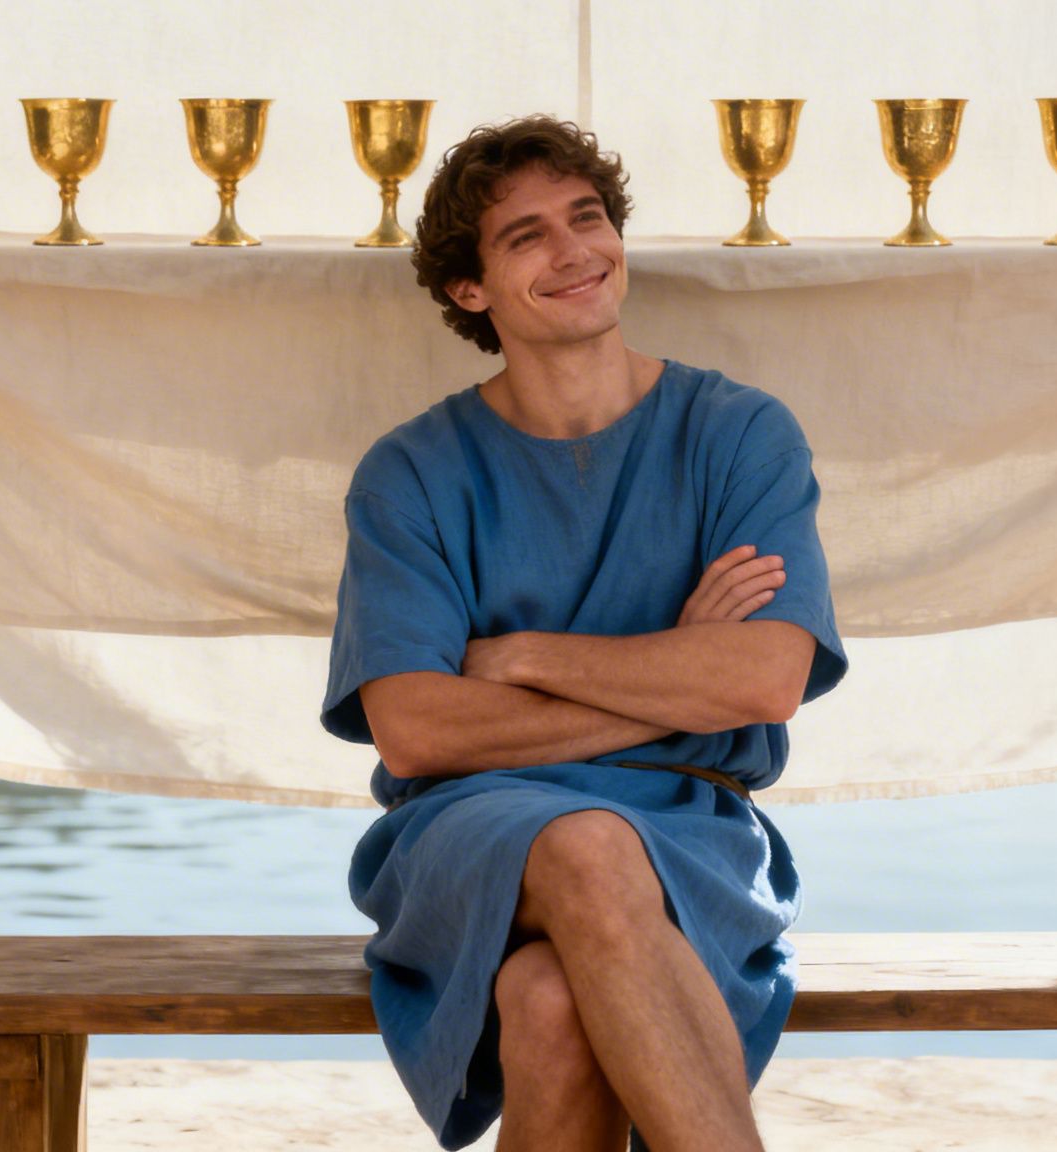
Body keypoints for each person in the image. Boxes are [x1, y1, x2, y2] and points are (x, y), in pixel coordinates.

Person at [320, 113, 848, 1152]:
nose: (575, 252)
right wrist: (672, 679)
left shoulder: (740, 433)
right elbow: (418, 734)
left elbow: (763, 680)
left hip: (693, 832)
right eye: (527, 237)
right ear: (469, 289)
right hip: (463, 833)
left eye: (588, 217)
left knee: (552, 1002)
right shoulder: (410, 473)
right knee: (589, 845)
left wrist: (525, 659)